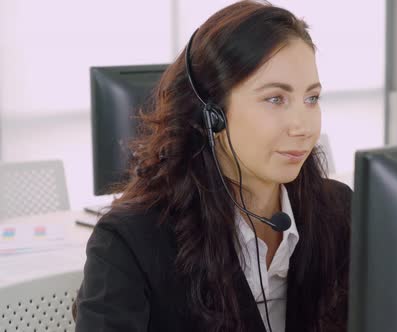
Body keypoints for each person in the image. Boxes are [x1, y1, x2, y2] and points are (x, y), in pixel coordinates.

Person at [73, 1, 352, 331]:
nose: (303, 126)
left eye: (312, 99)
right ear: (211, 113)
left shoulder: (338, 211)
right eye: (275, 99)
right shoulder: (131, 240)